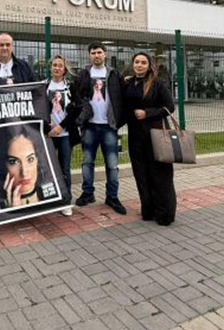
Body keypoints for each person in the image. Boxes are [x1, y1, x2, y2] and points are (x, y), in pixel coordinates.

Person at [72, 42, 127, 215]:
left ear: (105, 54)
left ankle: (112, 196)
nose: (96, 55)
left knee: (112, 164)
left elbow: (122, 98)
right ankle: (88, 193)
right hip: (89, 126)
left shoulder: (114, 74)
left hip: (109, 126)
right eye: (93, 53)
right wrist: (81, 117)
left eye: (99, 52)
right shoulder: (83, 74)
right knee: (87, 162)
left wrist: (118, 121)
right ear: (90, 55)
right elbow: (76, 96)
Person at [123, 52, 177, 226]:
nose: (139, 65)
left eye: (143, 62)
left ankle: (164, 213)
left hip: (155, 134)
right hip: (135, 135)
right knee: (141, 174)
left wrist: (147, 113)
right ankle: (148, 210)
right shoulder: (129, 83)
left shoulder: (157, 83)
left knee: (160, 174)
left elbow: (169, 106)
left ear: (149, 66)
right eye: (136, 62)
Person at [46, 55, 80, 217]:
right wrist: (47, 126)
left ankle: (66, 201)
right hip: (49, 135)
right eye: (54, 65)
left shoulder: (70, 86)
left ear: (65, 69)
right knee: (48, 168)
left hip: (65, 134)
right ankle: (51, 199)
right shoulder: (44, 86)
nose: (57, 68)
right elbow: (38, 108)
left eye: (60, 65)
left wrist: (61, 126)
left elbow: (77, 109)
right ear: (50, 67)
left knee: (64, 168)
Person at [0, 129, 43, 208]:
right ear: (4, 165)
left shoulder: (54, 197)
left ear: (37, 160)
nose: (24, 172)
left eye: (30, 159)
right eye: (13, 161)